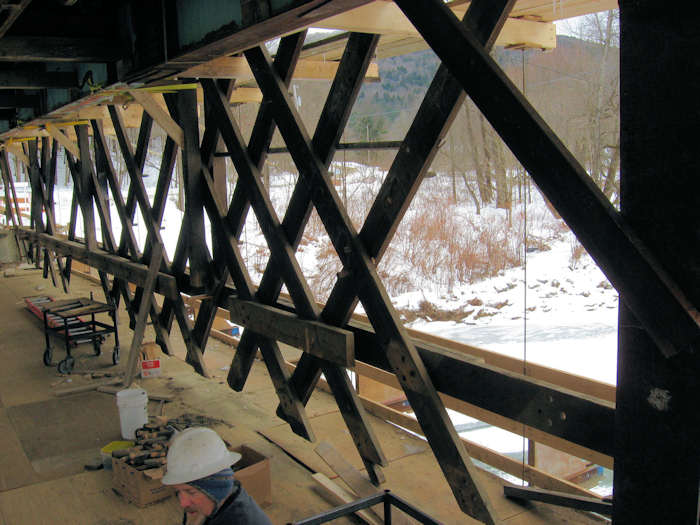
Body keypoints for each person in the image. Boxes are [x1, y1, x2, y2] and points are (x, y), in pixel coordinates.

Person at [162, 427, 273, 525]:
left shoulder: (241, 520)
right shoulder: (213, 502)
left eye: (191, 492)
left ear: (217, 488)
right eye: (178, 491)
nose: (183, 503)